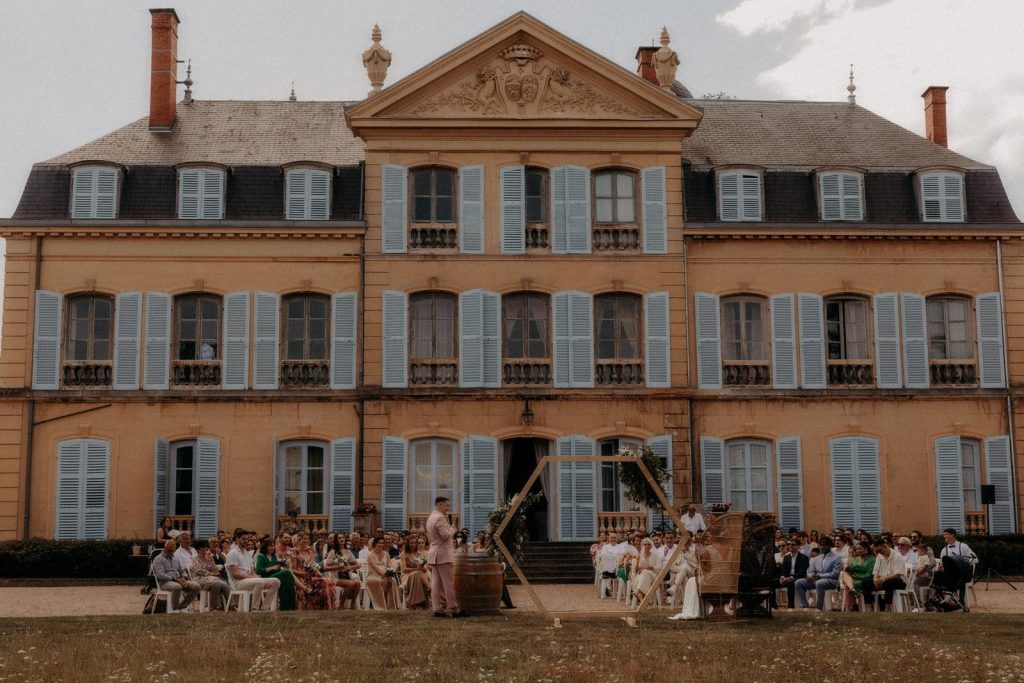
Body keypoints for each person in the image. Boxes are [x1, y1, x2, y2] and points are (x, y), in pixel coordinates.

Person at [426, 496, 464, 617]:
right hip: (443, 554)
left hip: (434, 553)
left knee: (436, 583)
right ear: (440, 505)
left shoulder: (431, 517)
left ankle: (437, 609)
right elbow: (445, 536)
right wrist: (453, 529)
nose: (448, 508)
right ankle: (454, 608)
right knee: (448, 583)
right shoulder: (440, 518)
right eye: (446, 505)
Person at [226, 534, 280, 611]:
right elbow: (235, 574)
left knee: (276, 581)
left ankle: (264, 607)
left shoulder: (247, 553)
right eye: (243, 539)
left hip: (250, 580)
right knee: (259, 582)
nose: (246, 541)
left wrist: (256, 576)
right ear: (237, 539)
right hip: (238, 583)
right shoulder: (233, 553)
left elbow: (252, 571)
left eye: (247, 539)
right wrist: (253, 578)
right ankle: (254, 608)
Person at [289, 532, 335, 610]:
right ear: (299, 540)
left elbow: (314, 565)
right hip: (300, 577)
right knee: (322, 583)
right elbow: (292, 570)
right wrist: (303, 573)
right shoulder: (294, 553)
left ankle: (326, 607)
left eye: (307, 539)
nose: (306, 540)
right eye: (304, 539)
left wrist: (317, 572)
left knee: (328, 581)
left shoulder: (310, 552)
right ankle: (324, 608)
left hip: (312, 576)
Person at [152, 539, 201, 612]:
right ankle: (175, 608)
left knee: (196, 586)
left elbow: (182, 571)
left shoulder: (176, 558)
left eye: (173, 551)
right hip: (165, 582)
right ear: (165, 548)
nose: (171, 553)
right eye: (169, 550)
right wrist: (175, 579)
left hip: (179, 580)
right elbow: (160, 575)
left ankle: (182, 606)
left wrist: (184, 578)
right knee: (177, 587)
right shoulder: (158, 559)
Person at [795, 536, 842, 611]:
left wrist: (819, 576)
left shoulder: (836, 558)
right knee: (799, 582)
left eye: (825, 545)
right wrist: (810, 576)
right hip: (816, 580)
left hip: (831, 581)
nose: (822, 547)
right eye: (821, 545)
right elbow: (810, 571)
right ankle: (805, 607)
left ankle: (818, 608)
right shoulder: (816, 558)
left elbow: (835, 574)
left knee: (820, 583)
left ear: (830, 546)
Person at [254, 537, 298, 611]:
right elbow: (259, 570)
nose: (273, 547)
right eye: (270, 546)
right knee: (287, 573)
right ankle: (286, 606)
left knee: (287, 579)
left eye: (273, 546)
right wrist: (272, 568)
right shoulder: (261, 556)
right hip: (266, 578)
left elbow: (277, 568)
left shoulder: (274, 556)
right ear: (265, 546)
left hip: (275, 576)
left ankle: (289, 606)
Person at [324, 533, 362, 609]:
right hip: (335, 577)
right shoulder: (332, 552)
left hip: (347, 575)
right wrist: (338, 567)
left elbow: (357, 565)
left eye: (343, 537)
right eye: (339, 538)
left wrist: (350, 567)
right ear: (336, 541)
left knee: (358, 583)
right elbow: (326, 568)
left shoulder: (348, 552)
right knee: (351, 584)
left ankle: (353, 603)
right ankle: (341, 603)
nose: (342, 539)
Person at [190, 540, 231, 611]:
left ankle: (230, 605)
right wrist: (211, 574)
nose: (206, 549)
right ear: (199, 549)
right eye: (204, 547)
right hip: (199, 580)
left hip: (211, 579)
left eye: (207, 547)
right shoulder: (194, 559)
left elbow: (216, 571)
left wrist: (212, 560)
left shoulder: (208, 559)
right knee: (217, 583)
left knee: (224, 584)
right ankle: (213, 607)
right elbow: (199, 571)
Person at [867, 538, 905, 611]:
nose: (878, 552)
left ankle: (888, 608)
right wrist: (875, 580)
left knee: (889, 583)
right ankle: (870, 607)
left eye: (879, 550)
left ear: (885, 546)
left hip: (898, 582)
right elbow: (875, 571)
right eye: (877, 551)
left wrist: (883, 579)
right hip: (883, 580)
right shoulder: (879, 556)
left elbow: (897, 575)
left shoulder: (897, 556)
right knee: (866, 583)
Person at [364, 537, 399, 610]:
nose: (381, 544)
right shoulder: (370, 555)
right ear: (375, 544)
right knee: (383, 581)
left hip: (385, 575)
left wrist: (390, 573)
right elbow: (375, 568)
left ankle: (390, 605)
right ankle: (382, 605)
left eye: (382, 543)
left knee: (393, 581)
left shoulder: (386, 554)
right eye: (379, 543)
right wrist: (384, 576)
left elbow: (389, 566)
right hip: (373, 576)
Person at [841, 541, 875, 611]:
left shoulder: (872, 559)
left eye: (860, 549)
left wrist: (858, 577)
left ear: (866, 549)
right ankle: (852, 590)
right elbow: (849, 572)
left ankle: (849, 609)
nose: (858, 551)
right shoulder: (854, 559)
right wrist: (847, 568)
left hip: (864, 580)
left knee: (847, 586)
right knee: (844, 574)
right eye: (856, 549)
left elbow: (870, 574)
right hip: (853, 579)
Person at [775, 539, 809, 610]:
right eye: (789, 544)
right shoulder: (786, 557)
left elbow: (802, 573)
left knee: (791, 583)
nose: (790, 546)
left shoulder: (804, 558)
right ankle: (773, 606)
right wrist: (782, 577)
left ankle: (790, 606)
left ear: (798, 546)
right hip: (786, 578)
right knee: (772, 582)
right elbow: (783, 570)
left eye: (793, 544)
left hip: (798, 578)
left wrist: (789, 578)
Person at [400, 535, 431, 609]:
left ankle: (419, 603)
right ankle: (431, 588)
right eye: (411, 543)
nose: (413, 544)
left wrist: (422, 568)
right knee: (418, 573)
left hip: (418, 575)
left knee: (420, 574)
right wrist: (417, 569)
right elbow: (404, 569)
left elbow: (422, 567)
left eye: (414, 543)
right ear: (408, 544)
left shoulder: (419, 553)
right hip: (407, 576)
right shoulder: (403, 554)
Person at [631, 538, 663, 604]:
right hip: (641, 576)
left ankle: (639, 592)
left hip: (653, 576)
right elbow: (637, 569)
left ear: (651, 546)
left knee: (645, 572)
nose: (647, 546)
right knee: (643, 574)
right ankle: (643, 597)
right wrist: (637, 561)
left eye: (649, 544)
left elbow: (659, 567)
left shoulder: (655, 555)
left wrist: (650, 568)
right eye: (645, 544)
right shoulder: (639, 555)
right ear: (642, 546)